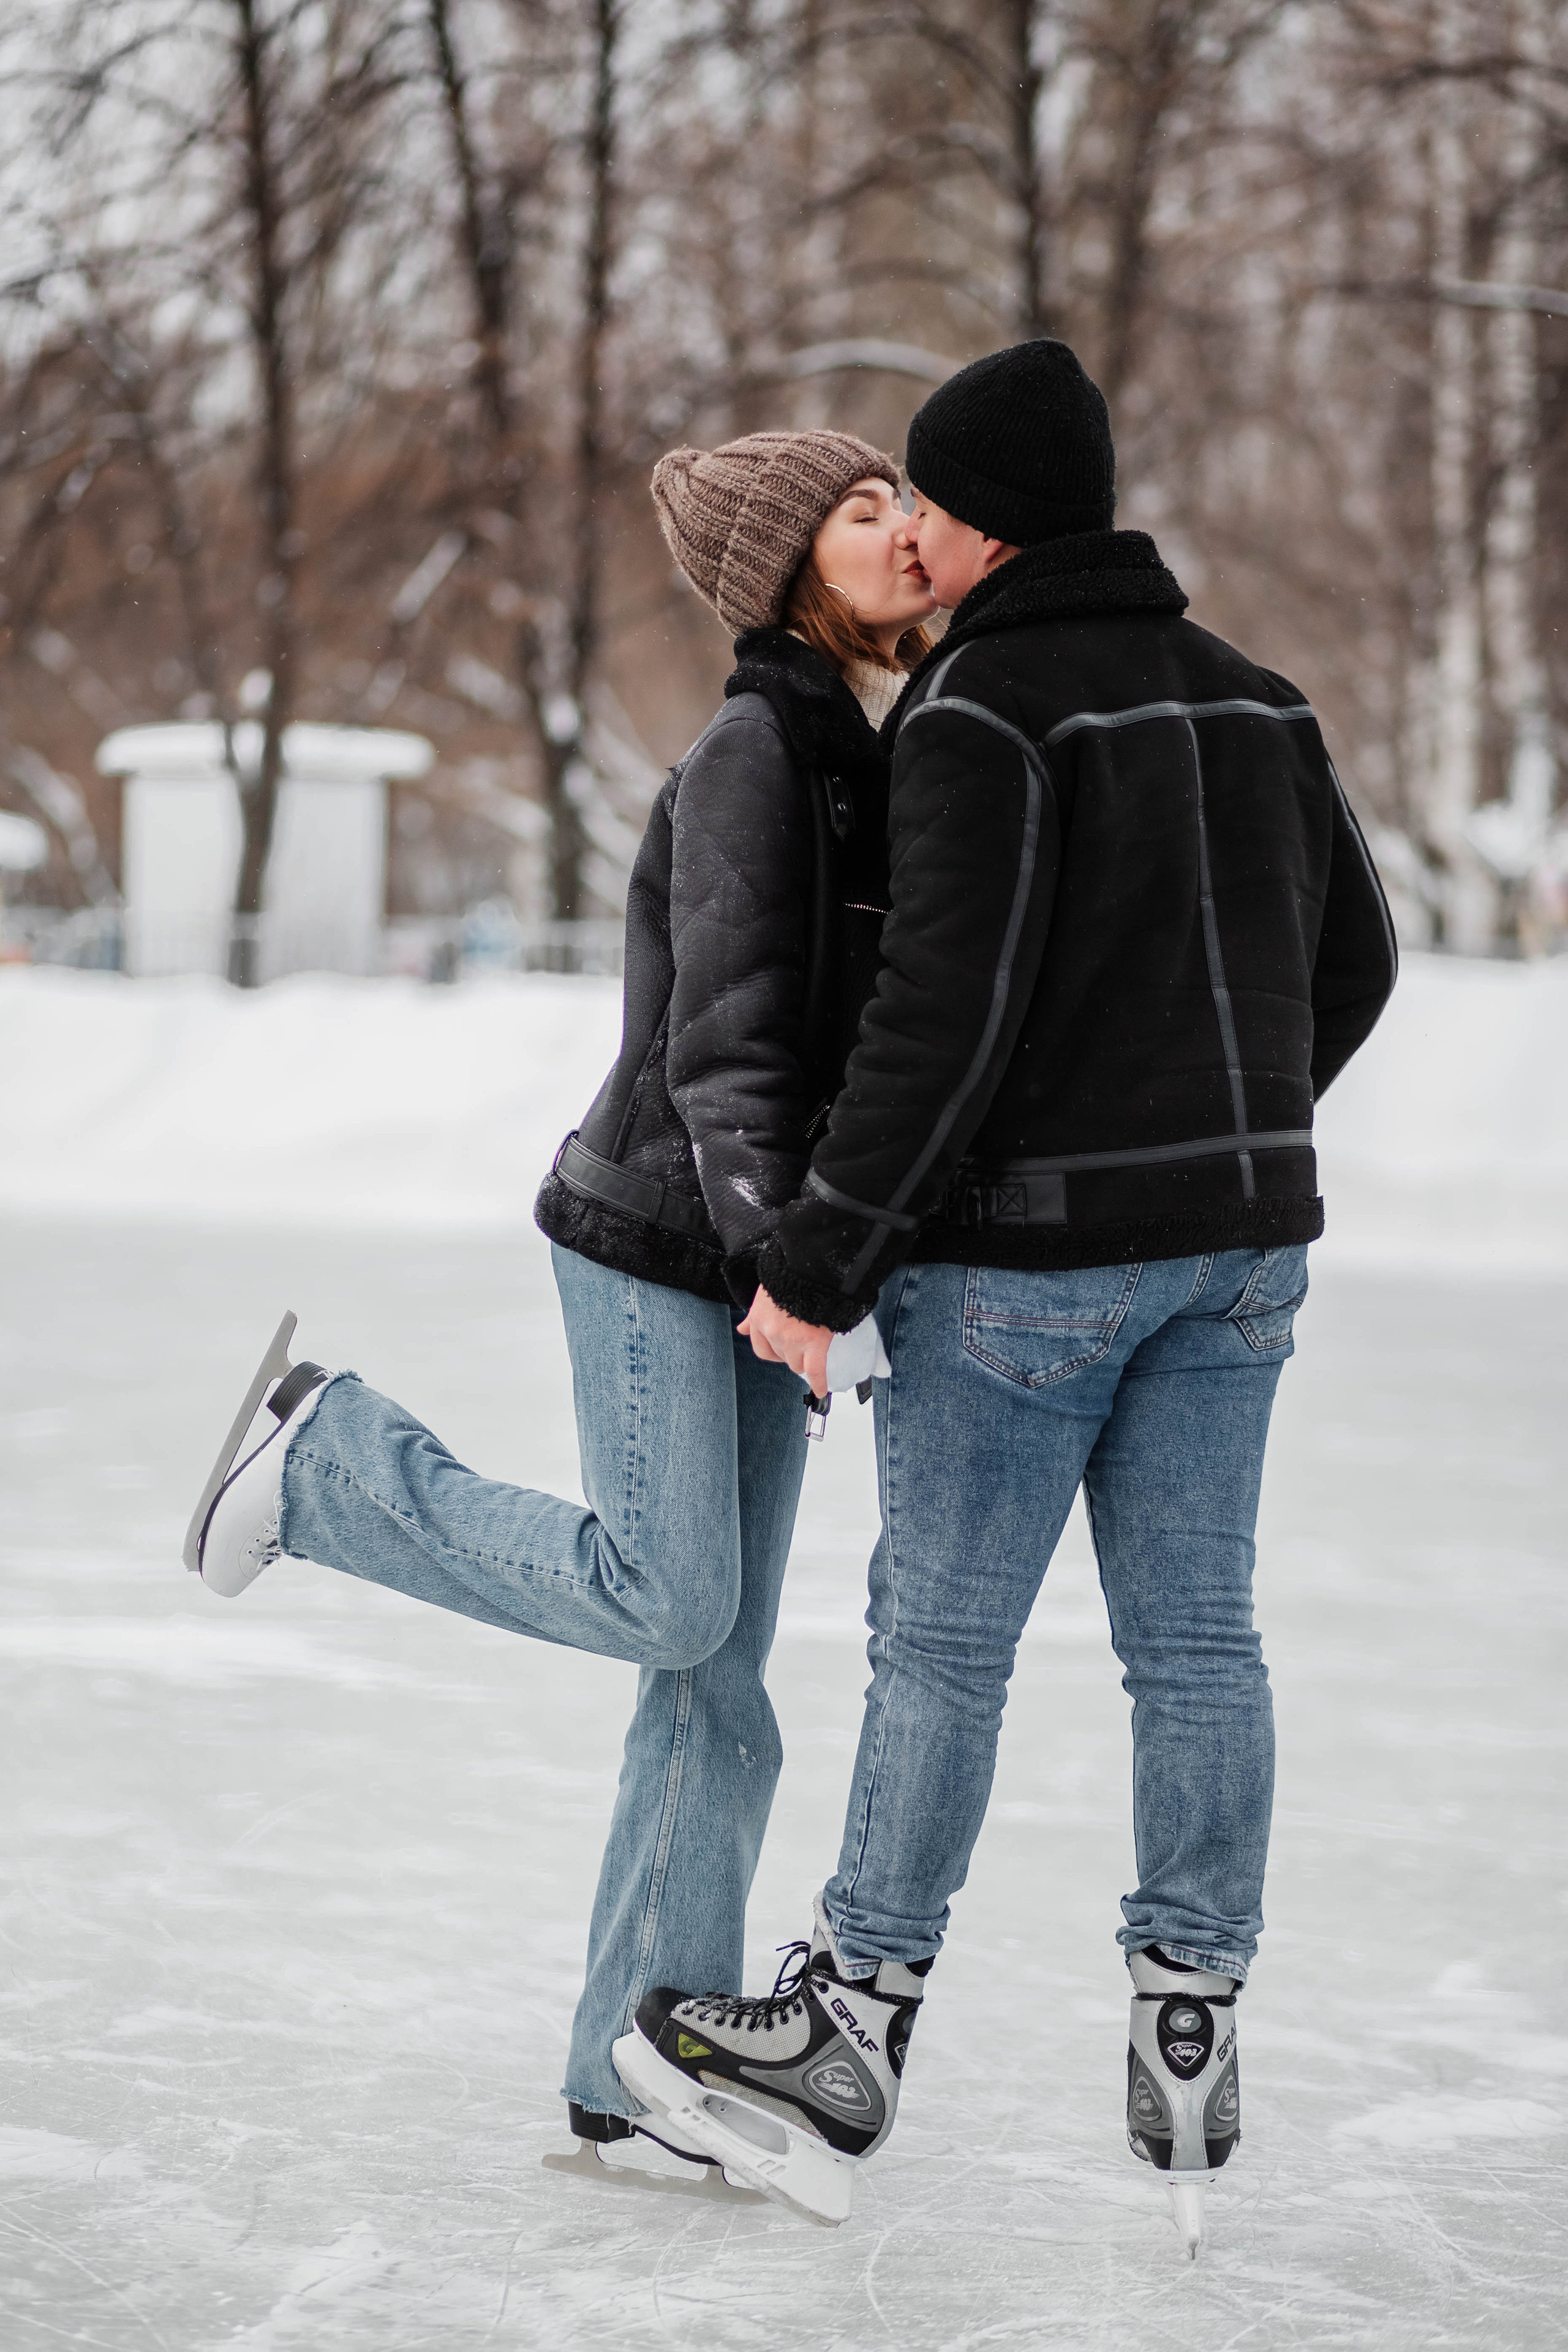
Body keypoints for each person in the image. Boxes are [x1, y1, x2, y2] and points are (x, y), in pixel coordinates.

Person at [612, 340, 1399, 2245]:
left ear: (975, 522)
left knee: (943, 1650)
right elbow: (1356, 964)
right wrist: (1229, 1133)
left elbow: (933, 1030)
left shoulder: (977, 716)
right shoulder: (1263, 701)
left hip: (1024, 1274)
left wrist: (818, 1265)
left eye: (927, 505)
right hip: (1243, 1257)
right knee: (1198, 1640)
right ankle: (1191, 2012)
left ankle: (855, 2023)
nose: (916, 539)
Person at [183, 427, 937, 2193]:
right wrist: (788, 1273)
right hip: (661, 1237)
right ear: (785, 566)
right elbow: (729, 1051)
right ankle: (330, 1465)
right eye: (864, 506)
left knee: (716, 1671)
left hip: (742, 1247)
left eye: (904, 495)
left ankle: (641, 2048)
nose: (905, 525)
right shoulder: (764, 751)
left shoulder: (852, 748)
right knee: (670, 1595)